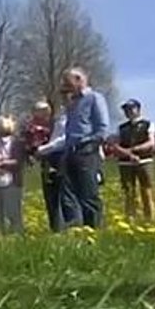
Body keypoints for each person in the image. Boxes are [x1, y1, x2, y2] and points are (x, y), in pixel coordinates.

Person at [60, 67, 110, 229]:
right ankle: (75, 228)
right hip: (70, 152)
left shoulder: (94, 98)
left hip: (86, 151)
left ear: (79, 80)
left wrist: (87, 142)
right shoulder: (72, 103)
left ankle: (94, 230)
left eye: (68, 83)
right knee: (69, 195)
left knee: (88, 195)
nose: (66, 87)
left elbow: (102, 128)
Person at [115, 99, 155, 221]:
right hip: (125, 163)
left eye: (131, 108)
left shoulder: (147, 124)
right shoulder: (122, 128)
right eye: (126, 110)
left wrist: (134, 150)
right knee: (129, 192)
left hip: (144, 161)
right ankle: (130, 218)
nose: (128, 112)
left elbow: (151, 143)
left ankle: (150, 218)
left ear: (138, 109)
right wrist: (128, 154)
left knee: (146, 191)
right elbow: (116, 145)